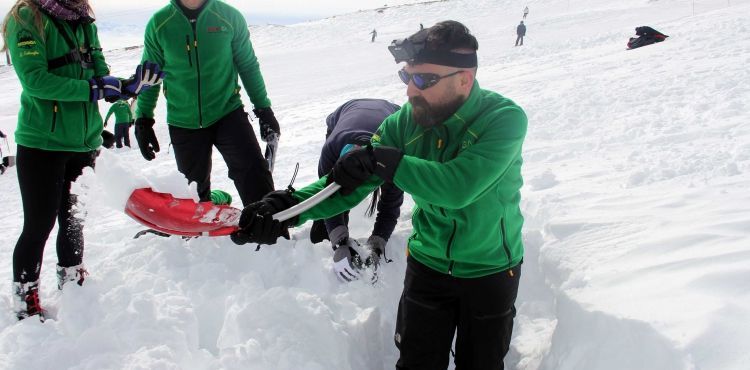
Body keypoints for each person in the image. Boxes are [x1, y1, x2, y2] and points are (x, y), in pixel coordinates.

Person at [231, 20, 527, 369]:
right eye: (407, 78)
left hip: (490, 270)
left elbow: (458, 187)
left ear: (465, 79)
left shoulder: (503, 119)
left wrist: (384, 160)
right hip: (428, 265)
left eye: (423, 80)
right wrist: (286, 208)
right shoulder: (405, 123)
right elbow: (348, 184)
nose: (410, 92)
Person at [2, 0, 162, 320]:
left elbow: (99, 74)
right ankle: (26, 299)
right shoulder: (27, 16)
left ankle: (72, 279)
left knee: (74, 220)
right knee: (39, 224)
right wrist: (94, 88)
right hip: (43, 142)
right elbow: (36, 81)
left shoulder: (84, 21)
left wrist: (129, 86)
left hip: (84, 142)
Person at [134, 0, 280, 208]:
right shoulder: (160, 24)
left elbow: (247, 65)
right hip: (183, 121)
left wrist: (263, 108)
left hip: (227, 112)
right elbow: (150, 76)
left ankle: (271, 230)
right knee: (194, 197)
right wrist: (143, 119)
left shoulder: (228, 17)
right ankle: (213, 212)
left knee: (255, 176)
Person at [310, 99, 404, 282]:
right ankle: (329, 232)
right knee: (331, 205)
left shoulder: (392, 159)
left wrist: (377, 245)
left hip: (389, 117)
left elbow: (390, 208)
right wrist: (339, 243)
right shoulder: (331, 151)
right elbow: (325, 197)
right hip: (345, 114)